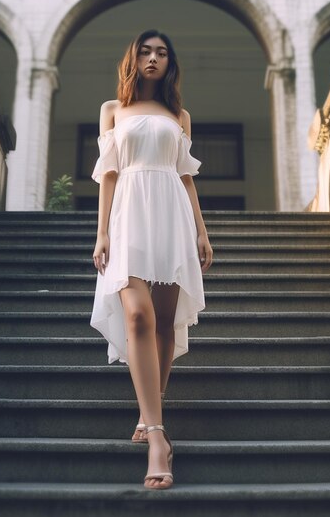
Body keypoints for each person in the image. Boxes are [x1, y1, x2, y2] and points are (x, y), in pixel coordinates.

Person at [90, 29, 213, 490]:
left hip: (172, 216)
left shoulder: (178, 115)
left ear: (170, 63)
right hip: (127, 216)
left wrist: (201, 231)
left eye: (162, 52)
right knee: (137, 316)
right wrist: (102, 232)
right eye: (145, 51)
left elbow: (186, 177)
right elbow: (108, 173)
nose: (153, 58)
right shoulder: (112, 110)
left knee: (163, 324)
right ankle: (159, 438)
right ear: (133, 59)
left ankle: (150, 410)